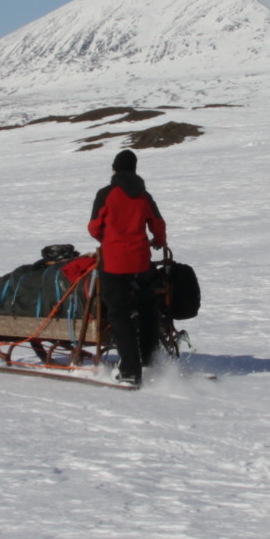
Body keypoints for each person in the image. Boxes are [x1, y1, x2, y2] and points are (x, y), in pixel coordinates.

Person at [88, 150, 168, 387]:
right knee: (147, 310)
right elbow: (158, 224)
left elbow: (94, 228)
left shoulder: (106, 194)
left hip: (114, 263)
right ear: (134, 170)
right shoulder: (144, 195)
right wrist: (159, 241)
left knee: (118, 314)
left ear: (114, 169)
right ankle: (150, 361)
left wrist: (108, 239)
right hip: (141, 262)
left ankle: (130, 371)